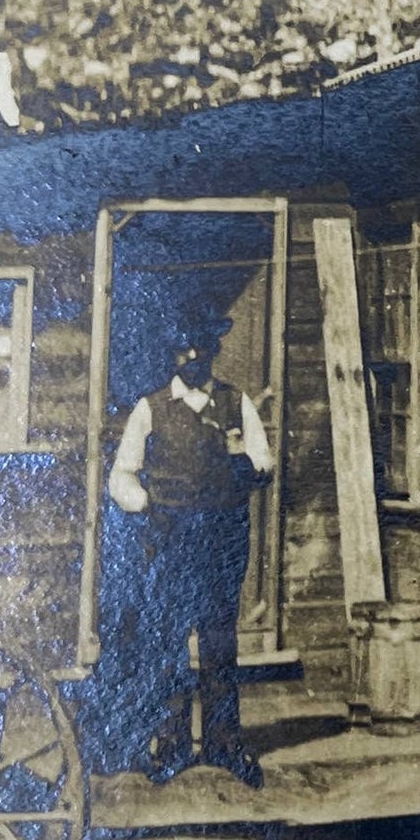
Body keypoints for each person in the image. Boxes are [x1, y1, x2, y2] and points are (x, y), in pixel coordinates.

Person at [109, 318, 273, 788]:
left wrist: (246, 461)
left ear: (213, 350)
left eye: (203, 348)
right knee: (168, 645)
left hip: (221, 540)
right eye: (185, 350)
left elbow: (264, 463)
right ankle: (172, 746)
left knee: (220, 642)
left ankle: (224, 745)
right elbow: (123, 473)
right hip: (170, 539)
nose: (194, 358)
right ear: (172, 355)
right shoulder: (151, 408)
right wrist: (142, 502)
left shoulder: (235, 404)